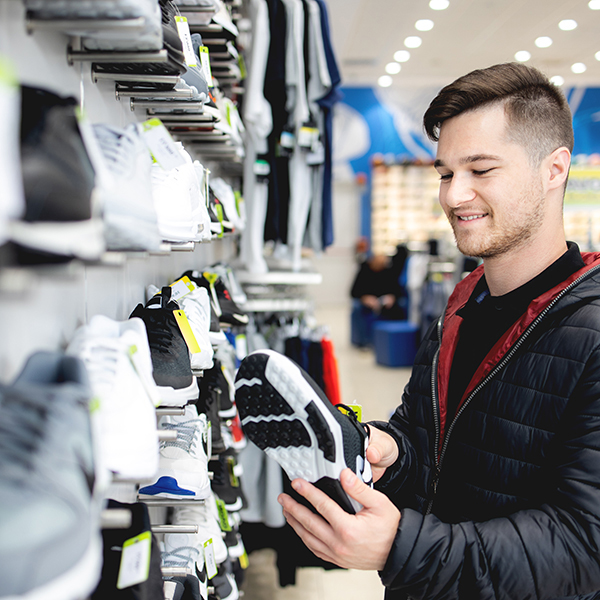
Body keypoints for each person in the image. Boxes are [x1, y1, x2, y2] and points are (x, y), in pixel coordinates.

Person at [278, 62, 600, 599]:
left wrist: (398, 547)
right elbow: (432, 447)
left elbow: (584, 546)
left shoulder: (590, 330)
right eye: (446, 173)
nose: (453, 197)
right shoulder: (462, 304)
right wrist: (391, 451)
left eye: (481, 169)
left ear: (554, 169)